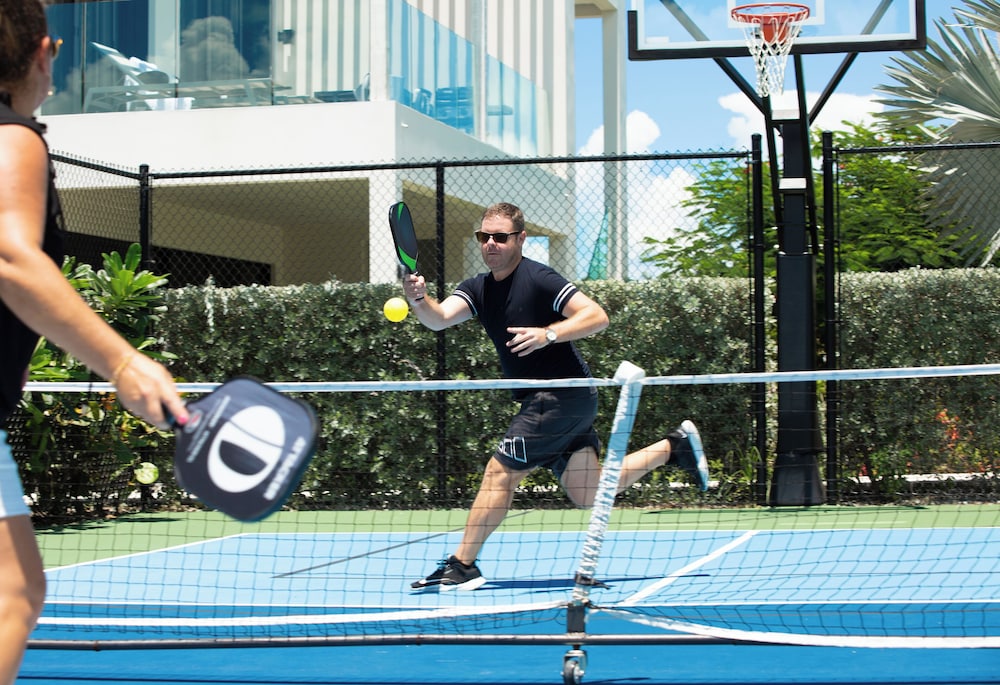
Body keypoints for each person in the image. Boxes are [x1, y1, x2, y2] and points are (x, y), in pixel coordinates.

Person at [0, 1, 190, 680]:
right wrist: (123, 361)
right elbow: (11, 258)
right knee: (12, 595)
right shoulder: (13, 135)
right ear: (43, 52)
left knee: (17, 589)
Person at [401, 202, 709, 591]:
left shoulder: (540, 279)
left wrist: (549, 333)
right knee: (588, 492)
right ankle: (673, 446)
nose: (491, 243)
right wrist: (418, 299)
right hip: (565, 400)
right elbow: (438, 319)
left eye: (501, 237)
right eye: (484, 236)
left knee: (499, 473)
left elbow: (596, 316)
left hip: (558, 396)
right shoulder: (477, 288)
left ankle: (462, 566)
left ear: (521, 239)